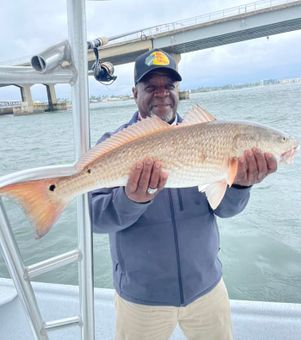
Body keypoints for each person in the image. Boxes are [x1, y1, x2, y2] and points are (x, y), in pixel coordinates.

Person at [90, 48, 277, 340]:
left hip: (207, 290)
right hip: (141, 299)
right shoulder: (114, 146)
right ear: (133, 93)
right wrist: (131, 200)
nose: (162, 93)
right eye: (151, 86)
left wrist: (240, 185)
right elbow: (93, 219)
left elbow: (224, 209)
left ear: (179, 91)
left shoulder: (212, 137)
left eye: (170, 86)